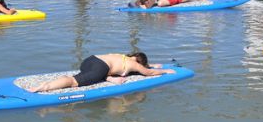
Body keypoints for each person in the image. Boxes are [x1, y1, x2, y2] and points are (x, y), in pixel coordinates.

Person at [27, 52, 175, 93]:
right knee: (73, 82)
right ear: (139, 63)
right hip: (100, 68)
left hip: (90, 60)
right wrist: (166, 71)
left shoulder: (122, 56)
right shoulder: (134, 65)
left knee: (100, 74)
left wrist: (154, 64)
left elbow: (147, 67)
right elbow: (149, 73)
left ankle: (108, 78)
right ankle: (43, 87)